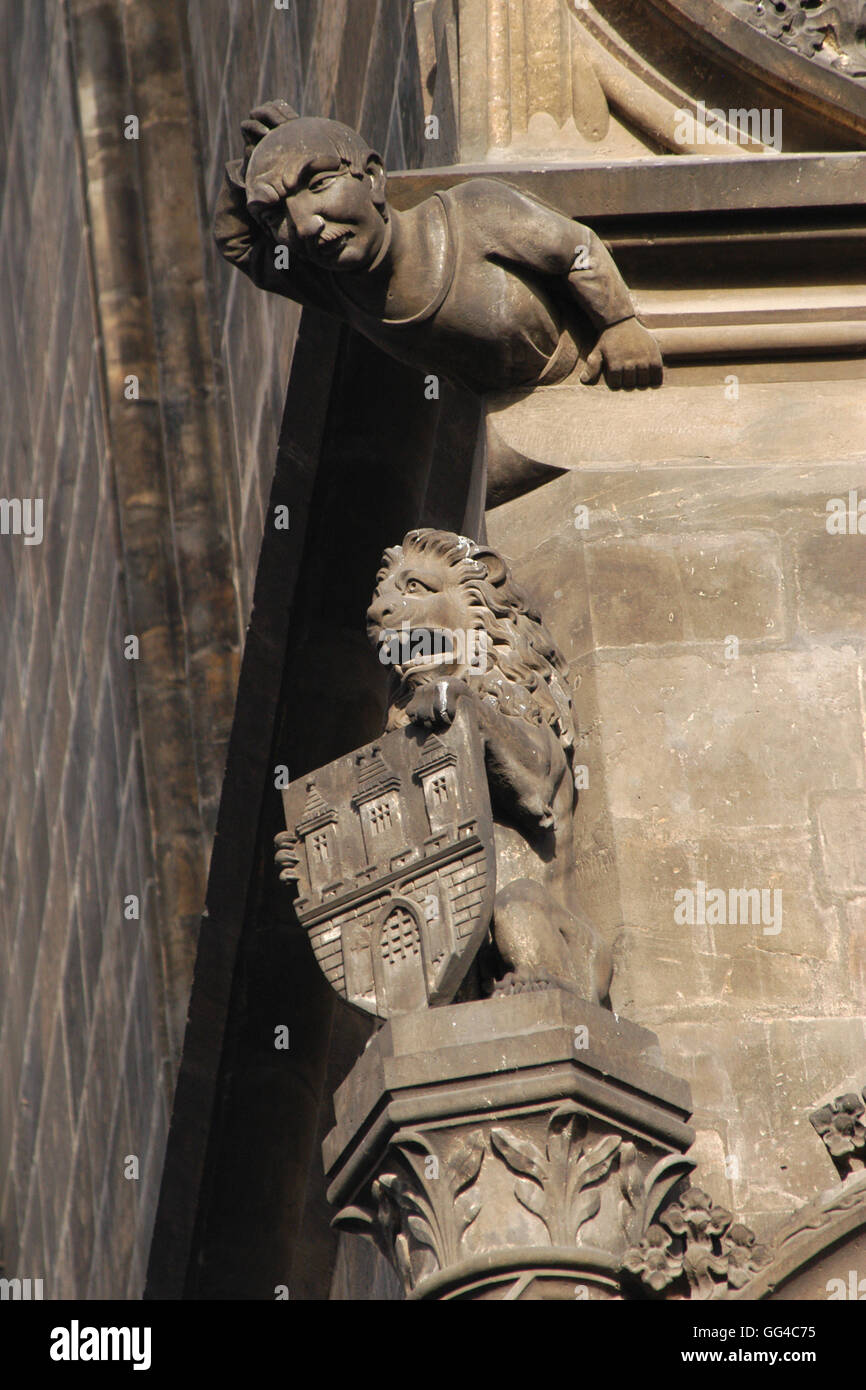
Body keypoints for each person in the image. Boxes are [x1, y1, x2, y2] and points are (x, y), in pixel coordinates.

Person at [215, 100, 663, 396]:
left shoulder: (474, 212)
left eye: (317, 184)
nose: (305, 225)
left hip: (585, 368)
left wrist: (619, 322)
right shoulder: (333, 282)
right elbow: (235, 241)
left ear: (371, 178)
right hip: (510, 408)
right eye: (276, 216)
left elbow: (576, 248)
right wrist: (248, 171)